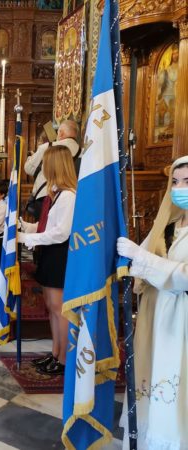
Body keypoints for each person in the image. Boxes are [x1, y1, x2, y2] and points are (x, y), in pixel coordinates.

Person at [116, 155, 188, 449]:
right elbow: (138, 258)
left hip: (181, 321)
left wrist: (142, 259)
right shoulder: (167, 225)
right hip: (155, 314)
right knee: (152, 374)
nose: (179, 188)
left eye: (187, 182)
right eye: (175, 182)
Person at [18, 145, 77, 375]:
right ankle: (54, 352)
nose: (42, 167)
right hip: (49, 252)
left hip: (59, 254)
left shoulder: (68, 196)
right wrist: (24, 227)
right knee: (51, 308)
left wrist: (26, 238)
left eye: (45, 163)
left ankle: (63, 359)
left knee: (59, 309)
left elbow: (61, 232)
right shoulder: (56, 194)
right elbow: (47, 226)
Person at [24, 119, 79, 220]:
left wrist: (30, 158)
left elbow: (28, 169)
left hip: (46, 195)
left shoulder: (48, 147)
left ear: (61, 133)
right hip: (72, 195)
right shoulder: (82, 151)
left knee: (44, 226)